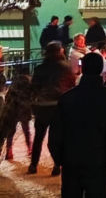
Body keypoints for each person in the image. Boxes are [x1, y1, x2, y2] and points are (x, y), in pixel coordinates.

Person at [48, 51, 106, 198]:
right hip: (100, 162)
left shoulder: (67, 98)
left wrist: (59, 159)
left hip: (72, 161)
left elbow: (56, 133)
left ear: (83, 69)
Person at [28, 41, 76, 175]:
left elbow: (33, 88)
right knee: (58, 138)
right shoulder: (65, 67)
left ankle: (33, 165)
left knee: (38, 137)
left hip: (42, 106)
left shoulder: (39, 68)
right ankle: (57, 165)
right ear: (60, 51)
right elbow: (71, 85)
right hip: (58, 107)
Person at [0, 68, 32, 161]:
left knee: (11, 131)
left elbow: (7, 97)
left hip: (12, 109)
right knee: (26, 130)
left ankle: (9, 151)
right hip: (24, 109)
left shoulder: (14, 84)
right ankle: (29, 148)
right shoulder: (29, 84)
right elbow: (32, 97)